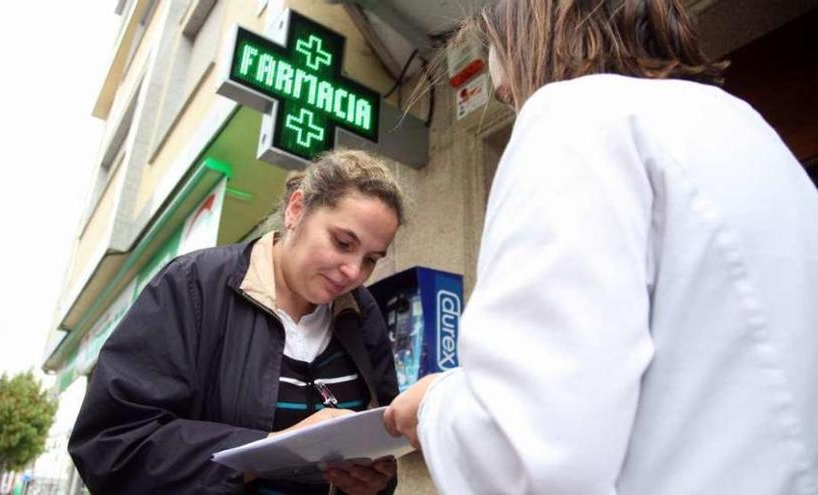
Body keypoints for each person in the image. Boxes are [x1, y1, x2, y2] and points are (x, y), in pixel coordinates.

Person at [384, 1, 818, 493]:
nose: (505, 89)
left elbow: (528, 451)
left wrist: (436, 404)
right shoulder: (747, 130)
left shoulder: (572, 117)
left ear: (531, 30)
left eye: (503, 83)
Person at [70, 149, 404, 494]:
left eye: (371, 259)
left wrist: (373, 483)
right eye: (343, 242)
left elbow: (381, 448)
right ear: (296, 210)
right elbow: (111, 446)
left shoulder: (362, 312)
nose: (353, 272)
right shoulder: (193, 285)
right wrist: (276, 447)